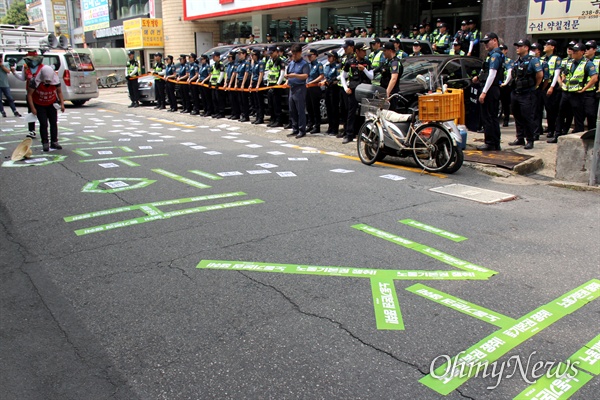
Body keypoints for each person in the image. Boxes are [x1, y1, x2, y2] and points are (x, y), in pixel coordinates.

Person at [551, 43, 597, 140]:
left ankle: (579, 136)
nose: (573, 53)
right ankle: (557, 135)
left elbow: (594, 78)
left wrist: (584, 88)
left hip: (577, 94)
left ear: (582, 52)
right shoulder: (570, 62)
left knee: (578, 116)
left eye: (576, 51)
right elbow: (564, 73)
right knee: (561, 114)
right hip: (566, 92)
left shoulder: (587, 64)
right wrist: (562, 82)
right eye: (573, 50)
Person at [507, 39, 543, 150]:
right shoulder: (517, 61)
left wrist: (535, 87)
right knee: (517, 116)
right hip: (516, 92)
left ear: (526, 48)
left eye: (520, 46)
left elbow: (540, 75)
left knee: (527, 117)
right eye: (517, 46)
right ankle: (520, 138)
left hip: (527, 93)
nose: (517, 48)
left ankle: (530, 140)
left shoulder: (533, 61)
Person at [472, 33, 504, 151]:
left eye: (487, 42)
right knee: (492, 117)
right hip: (491, 88)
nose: (485, 45)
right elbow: (486, 72)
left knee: (488, 117)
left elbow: (492, 74)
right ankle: (495, 142)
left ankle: (490, 142)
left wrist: (484, 92)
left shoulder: (495, 55)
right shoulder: (492, 55)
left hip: (490, 89)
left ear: (495, 40)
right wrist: (478, 78)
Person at [340, 42, 373, 144]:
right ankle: (349, 134)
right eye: (362, 50)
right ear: (357, 51)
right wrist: (346, 88)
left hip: (365, 90)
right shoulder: (350, 62)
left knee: (365, 113)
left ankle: (364, 134)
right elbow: (343, 76)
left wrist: (364, 70)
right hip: (354, 90)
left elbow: (371, 76)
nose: (364, 52)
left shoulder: (367, 62)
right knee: (351, 112)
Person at [27, 65, 65, 152]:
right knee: (43, 124)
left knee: (53, 123)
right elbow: (29, 94)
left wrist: (62, 104)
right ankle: (45, 143)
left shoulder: (56, 80)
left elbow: (59, 92)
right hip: (39, 104)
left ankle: (54, 142)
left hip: (51, 103)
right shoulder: (35, 81)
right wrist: (32, 108)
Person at [11, 50, 43, 137]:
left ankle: (44, 129)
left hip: (40, 92)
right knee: (31, 111)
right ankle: (31, 130)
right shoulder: (25, 67)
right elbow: (23, 78)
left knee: (42, 111)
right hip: (29, 92)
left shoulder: (41, 67)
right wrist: (14, 73)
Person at [284, 44, 310, 139]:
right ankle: (294, 128)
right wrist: (287, 77)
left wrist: (295, 75)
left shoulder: (304, 63)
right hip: (292, 88)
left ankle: (301, 130)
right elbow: (288, 73)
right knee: (292, 110)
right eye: (292, 54)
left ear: (300, 53)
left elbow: (305, 75)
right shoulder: (291, 63)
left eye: (295, 54)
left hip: (300, 88)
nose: (293, 56)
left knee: (300, 110)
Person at [542, 40, 562, 138]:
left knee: (554, 110)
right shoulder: (542, 58)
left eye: (547, 44)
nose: (545, 46)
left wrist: (552, 86)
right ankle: (550, 130)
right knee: (547, 109)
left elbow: (556, 74)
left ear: (553, 47)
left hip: (552, 87)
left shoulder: (556, 59)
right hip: (543, 87)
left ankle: (555, 130)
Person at [530, 43, 549, 139]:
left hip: (538, 90)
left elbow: (546, 78)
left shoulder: (542, 62)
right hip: (529, 89)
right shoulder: (529, 60)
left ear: (539, 51)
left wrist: (539, 87)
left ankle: (536, 132)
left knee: (536, 111)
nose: (532, 51)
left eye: (534, 49)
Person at [321, 51, 341, 136]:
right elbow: (326, 76)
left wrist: (332, 82)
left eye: (330, 56)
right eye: (328, 56)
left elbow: (338, 78)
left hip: (334, 89)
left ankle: (335, 128)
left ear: (334, 57)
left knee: (334, 109)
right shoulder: (327, 66)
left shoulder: (337, 66)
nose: (328, 58)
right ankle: (330, 127)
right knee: (328, 108)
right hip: (327, 88)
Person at [265, 46, 285, 127]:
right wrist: (267, 84)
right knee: (271, 104)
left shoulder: (280, 61)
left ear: (276, 52)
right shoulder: (270, 61)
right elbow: (268, 72)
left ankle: (278, 120)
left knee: (277, 104)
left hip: (277, 85)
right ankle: (272, 119)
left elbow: (282, 74)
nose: (270, 55)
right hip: (270, 85)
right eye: (269, 53)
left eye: (272, 53)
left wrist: (277, 84)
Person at [380, 42, 403, 110]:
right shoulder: (387, 62)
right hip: (385, 91)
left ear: (390, 51)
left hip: (391, 94)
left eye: (385, 51)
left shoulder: (395, 62)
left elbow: (393, 79)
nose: (383, 52)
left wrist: (387, 94)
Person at [306, 49, 324, 134]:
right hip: (308, 88)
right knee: (309, 107)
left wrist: (312, 82)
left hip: (314, 88)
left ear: (316, 55)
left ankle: (317, 125)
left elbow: (321, 76)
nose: (309, 57)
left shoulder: (318, 65)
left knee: (315, 107)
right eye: (308, 56)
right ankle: (310, 124)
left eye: (311, 55)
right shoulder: (308, 65)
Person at [584, 40, 600, 131]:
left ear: (594, 50)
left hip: (593, 92)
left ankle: (592, 131)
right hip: (580, 90)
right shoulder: (582, 61)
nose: (586, 50)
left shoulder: (598, 61)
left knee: (591, 113)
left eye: (588, 48)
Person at [234, 48, 251, 122]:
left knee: (244, 100)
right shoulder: (239, 63)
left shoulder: (246, 63)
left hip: (244, 82)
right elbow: (237, 74)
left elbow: (246, 74)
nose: (239, 55)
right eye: (238, 54)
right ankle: (242, 114)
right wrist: (235, 83)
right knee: (240, 100)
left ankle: (246, 115)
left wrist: (243, 84)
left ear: (244, 54)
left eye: (240, 54)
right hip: (239, 82)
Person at [249, 49, 266, 124]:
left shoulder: (260, 63)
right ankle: (257, 117)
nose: (252, 57)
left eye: (253, 55)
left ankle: (260, 117)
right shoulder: (254, 64)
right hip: (254, 82)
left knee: (259, 102)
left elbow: (261, 74)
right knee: (255, 102)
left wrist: (258, 85)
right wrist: (250, 84)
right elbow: (253, 74)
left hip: (258, 83)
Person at [499, 44, 513, 127]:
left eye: (502, 49)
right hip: (497, 84)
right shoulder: (496, 59)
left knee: (505, 103)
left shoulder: (508, 61)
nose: (501, 51)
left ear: (506, 50)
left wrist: (506, 83)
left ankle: (506, 119)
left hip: (505, 85)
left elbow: (510, 71)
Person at [209, 52, 225, 119]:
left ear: (218, 57)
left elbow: (221, 74)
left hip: (219, 84)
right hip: (213, 84)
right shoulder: (213, 65)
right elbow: (212, 74)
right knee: (214, 99)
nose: (213, 57)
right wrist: (210, 81)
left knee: (219, 99)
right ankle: (217, 112)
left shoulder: (221, 64)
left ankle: (221, 113)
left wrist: (218, 82)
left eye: (214, 56)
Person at [225, 51, 240, 120]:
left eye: (229, 57)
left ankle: (236, 114)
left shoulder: (235, 65)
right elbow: (226, 74)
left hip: (233, 82)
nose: (228, 58)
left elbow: (234, 74)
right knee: (230, 99)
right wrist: (226, 83)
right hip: (228, 82)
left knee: (234, 99)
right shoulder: (228, 65)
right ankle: (233, 113)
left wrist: (230, 84)